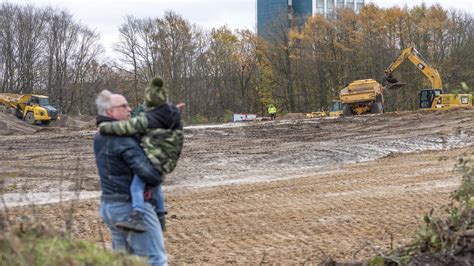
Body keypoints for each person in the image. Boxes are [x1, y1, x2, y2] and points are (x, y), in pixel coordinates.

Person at [98, 77, 184, 233]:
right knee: (156, 186)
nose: (130, 109)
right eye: (125, 106)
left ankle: (137, 215)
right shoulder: (172, 115)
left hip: (154, 161)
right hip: (168, 161)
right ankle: (160, 215)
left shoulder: (149, 119)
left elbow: (129, 126)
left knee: (137, 186)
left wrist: (105, 127)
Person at [94, 90, 167, 265]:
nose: (129, 109)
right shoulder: (123, 139)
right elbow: (150, 174)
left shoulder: (100, 136)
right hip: (129, 208)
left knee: (123, 260)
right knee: (155, 259)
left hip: (109, 207)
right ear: (111, 112)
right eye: (124, 106)